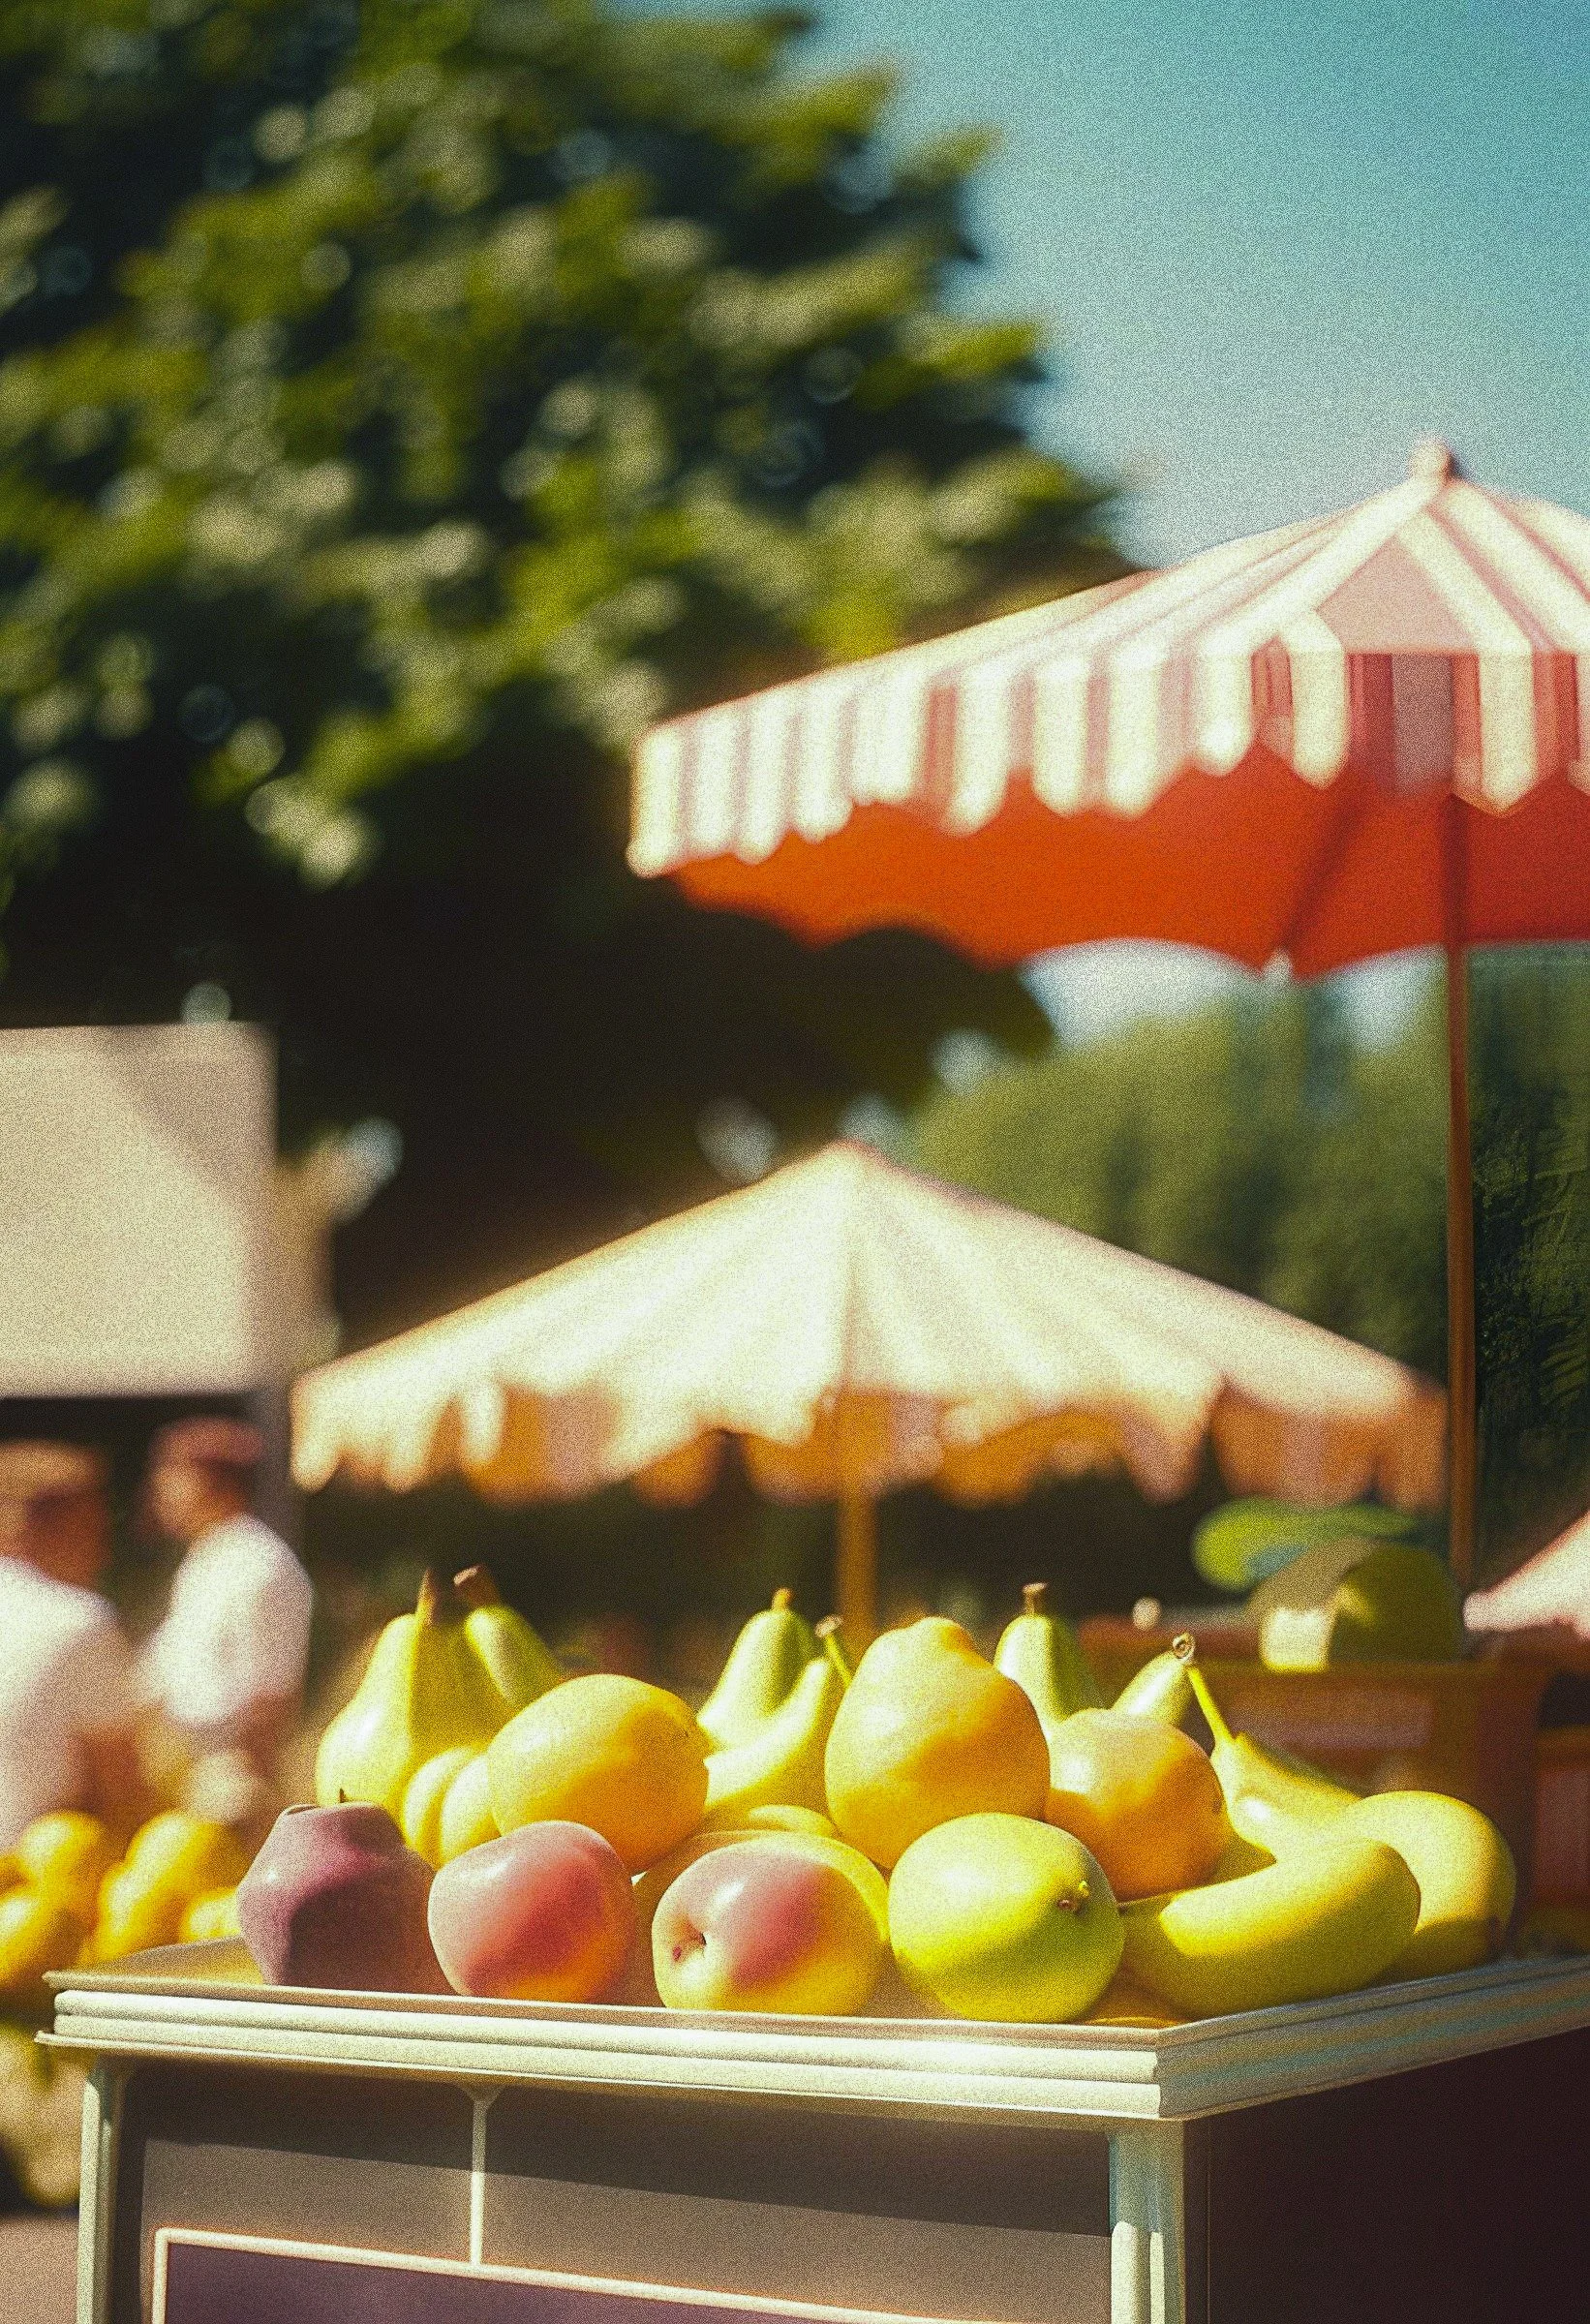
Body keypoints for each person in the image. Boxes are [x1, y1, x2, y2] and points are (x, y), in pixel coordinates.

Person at [138, 1419, 313, 1783]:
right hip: (180, 1766)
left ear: (217, 1483)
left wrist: (250, 1794)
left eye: (174, 1475)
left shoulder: (262, 1564)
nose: (161, 1490)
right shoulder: (204, 1557)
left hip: (227, 1774)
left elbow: (269, 1700)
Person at [0, 1442, 145, 1849]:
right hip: (32, 1884)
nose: (103, 1554)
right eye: (95, 1531)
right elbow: (122, 1794)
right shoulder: (81, 1620)